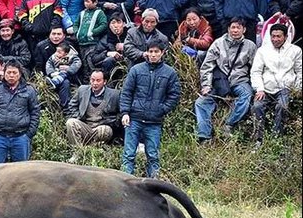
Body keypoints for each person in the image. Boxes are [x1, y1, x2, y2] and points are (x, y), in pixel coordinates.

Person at [120, 42, 180, 178]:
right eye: (151, 52)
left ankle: (154, 184)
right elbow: (126, 92)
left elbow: (174, 95)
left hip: (154, 122)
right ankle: (124, 184)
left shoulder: (170, 73)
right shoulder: (136, 70)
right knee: (128, 155)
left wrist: (162, 109)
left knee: (153, 156)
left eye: (156, 52)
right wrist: (125, 112)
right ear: (146, 52)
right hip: (134, 118)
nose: (153, 55)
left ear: (162, 53)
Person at [193, 18, 258, 142]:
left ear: (244, 30)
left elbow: (255, 68)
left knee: (246, 94)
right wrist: (206, 85)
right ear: (228, 29)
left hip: (240, 81)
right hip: (220, 83)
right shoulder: (218, 43)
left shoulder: (250, 46)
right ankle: (204, 136)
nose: (235, 30)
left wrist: (256, 87)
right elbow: (207, 66)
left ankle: (228, 124)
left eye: (238, 27)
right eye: (233, 27)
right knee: (201, 102)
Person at [0, 60, 40, 164]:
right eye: (8, 72)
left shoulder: (29, 90)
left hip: (21, 137)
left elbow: (35, 112)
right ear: (4, 73)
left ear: (20, 74)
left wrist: (29, 134)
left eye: (14, 73)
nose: (11, 75)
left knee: (20, 171)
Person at [250, 23, 301, 143]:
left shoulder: (295, 50)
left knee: (282, 106)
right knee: (257, 106)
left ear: (285, 37)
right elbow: (256, 72)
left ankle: (276, 138)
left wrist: (298, 89)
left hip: (285, 87)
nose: (275, 39)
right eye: (273, 36)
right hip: (266, 87)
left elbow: (300, 71)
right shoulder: (262, 51)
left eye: (278, 36)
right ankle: (259, 139)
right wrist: (260, 88)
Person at [65, 70, 121, 162]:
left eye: (98, 80)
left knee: (105, 130)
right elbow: (72, 105)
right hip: (86, 126)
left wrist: (112, 121)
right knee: (70, 122)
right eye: (92, 80)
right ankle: (78, 152)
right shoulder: (82, 90)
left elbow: (121, 112)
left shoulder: (115, 94)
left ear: (104, 81)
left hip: (102, 127)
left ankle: (88, 151)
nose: (95, 83)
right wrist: (78, 117)